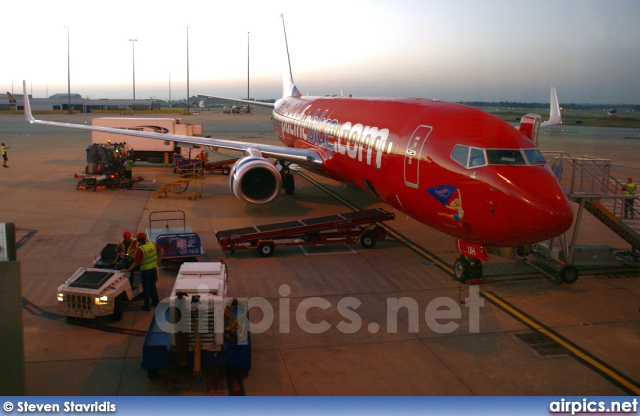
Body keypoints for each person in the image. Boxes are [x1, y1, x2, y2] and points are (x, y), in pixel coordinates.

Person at [121, 233, 163, 311]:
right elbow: (161, 250)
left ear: (138, 240)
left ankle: (147, 306)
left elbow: (136, 262)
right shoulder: (152, 244)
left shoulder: (141, 249)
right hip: (153, 269)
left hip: (145, 271)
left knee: (146, 288)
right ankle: (155, 302)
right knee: (153, 286)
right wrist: (159, 259)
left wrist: (128, 270)